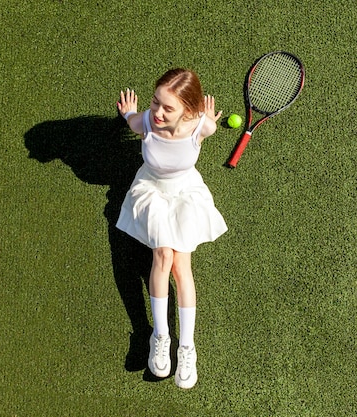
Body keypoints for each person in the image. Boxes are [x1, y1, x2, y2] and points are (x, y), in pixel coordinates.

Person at [115, 69, 228, 389]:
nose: (158, 113)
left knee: (182, 264)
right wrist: (128, 113)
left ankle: (187, 347)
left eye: (168, 108)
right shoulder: (146, 122)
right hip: (150, 190)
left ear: (189, 112)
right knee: (163, 255)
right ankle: (159, 336)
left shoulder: (202, 127)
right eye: (155, 103)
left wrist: (206, 118)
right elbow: (132, 120)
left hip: (185, 193)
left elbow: (210, 125)